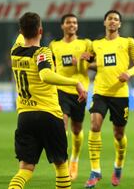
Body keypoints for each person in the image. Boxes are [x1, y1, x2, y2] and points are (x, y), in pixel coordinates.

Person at [8, 12, 87, 189]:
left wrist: (25, 27)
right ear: (41, 31)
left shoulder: (15, 52)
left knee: (25, 169)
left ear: (21, 30)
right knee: (60, 167)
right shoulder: (42, 52)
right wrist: (75, 82)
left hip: (25, 117)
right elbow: (45, 75)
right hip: (49, 115)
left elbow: (22, 34)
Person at [83, 9, 134, 188]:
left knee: (118, 133)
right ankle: (95, 171)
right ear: (105, 23)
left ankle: (118, 166)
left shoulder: (128, 42)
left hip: (120, 94)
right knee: (94, 124)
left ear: (120, 24)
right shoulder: (95, 44)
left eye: (116, 19)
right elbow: (93, 63)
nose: (113, 21)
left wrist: (129, 73)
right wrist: (85, 61)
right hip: (100, 92)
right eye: (110, 19)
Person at [49, 13, 92, 180]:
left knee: (77, 129)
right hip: (61, 90)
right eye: (68, 22)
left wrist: (83, 61)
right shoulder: (54, 45)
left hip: (80, 91)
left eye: (74, 22)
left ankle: (74, 158)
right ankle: (64, 161)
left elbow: (92, 63)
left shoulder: (85, 43)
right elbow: (51, 67)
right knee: (62, 125)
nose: (72, 25)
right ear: (62, 26)